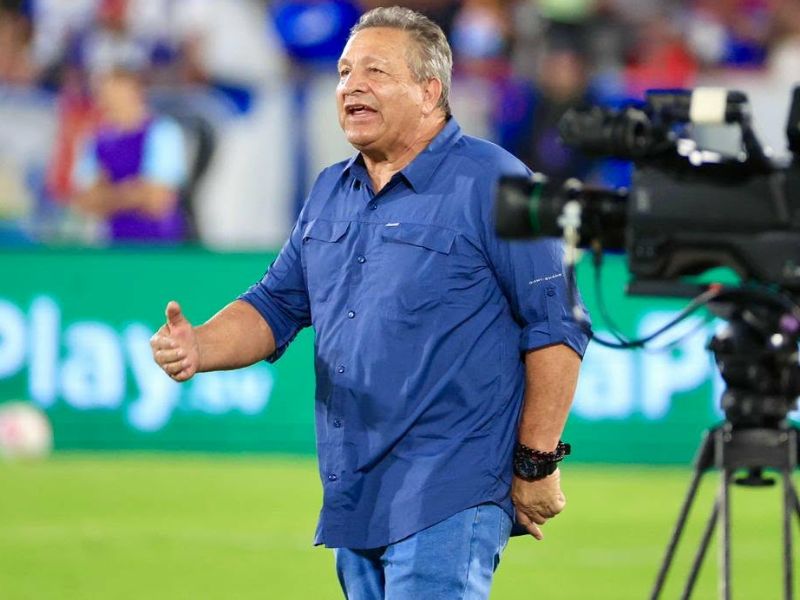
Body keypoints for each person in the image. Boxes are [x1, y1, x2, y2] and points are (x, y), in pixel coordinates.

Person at [150, 6, 590, 598]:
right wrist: (201, 345)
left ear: (430, 90)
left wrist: (537, 461)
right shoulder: (331, 189)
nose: (351, 85)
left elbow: (556, 325)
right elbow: (277, 304)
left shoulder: (498, 181)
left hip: (449, 489)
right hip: (354, 491)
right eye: (343, 71)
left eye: (376, 71)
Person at [72, 64, 188, 242]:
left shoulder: (163, 132)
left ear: (136, 93)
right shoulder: (95, 138)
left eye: (118, 93)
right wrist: (134, 192)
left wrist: (107, 195)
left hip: (159, 244)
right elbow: (85, 201)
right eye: (105, 94)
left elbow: (157, 200)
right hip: (111, 244)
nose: (111, 100)